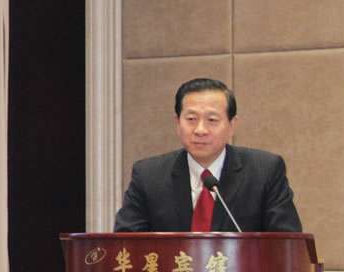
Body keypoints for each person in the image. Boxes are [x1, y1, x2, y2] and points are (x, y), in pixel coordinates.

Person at [114, 77, 302, 232]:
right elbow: (126, 244)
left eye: (212, 120)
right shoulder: (148, 176)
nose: (200, 130)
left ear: (232, 125)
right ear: (178, 123)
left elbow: (286, 242)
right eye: (191, 119)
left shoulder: (264, 171)